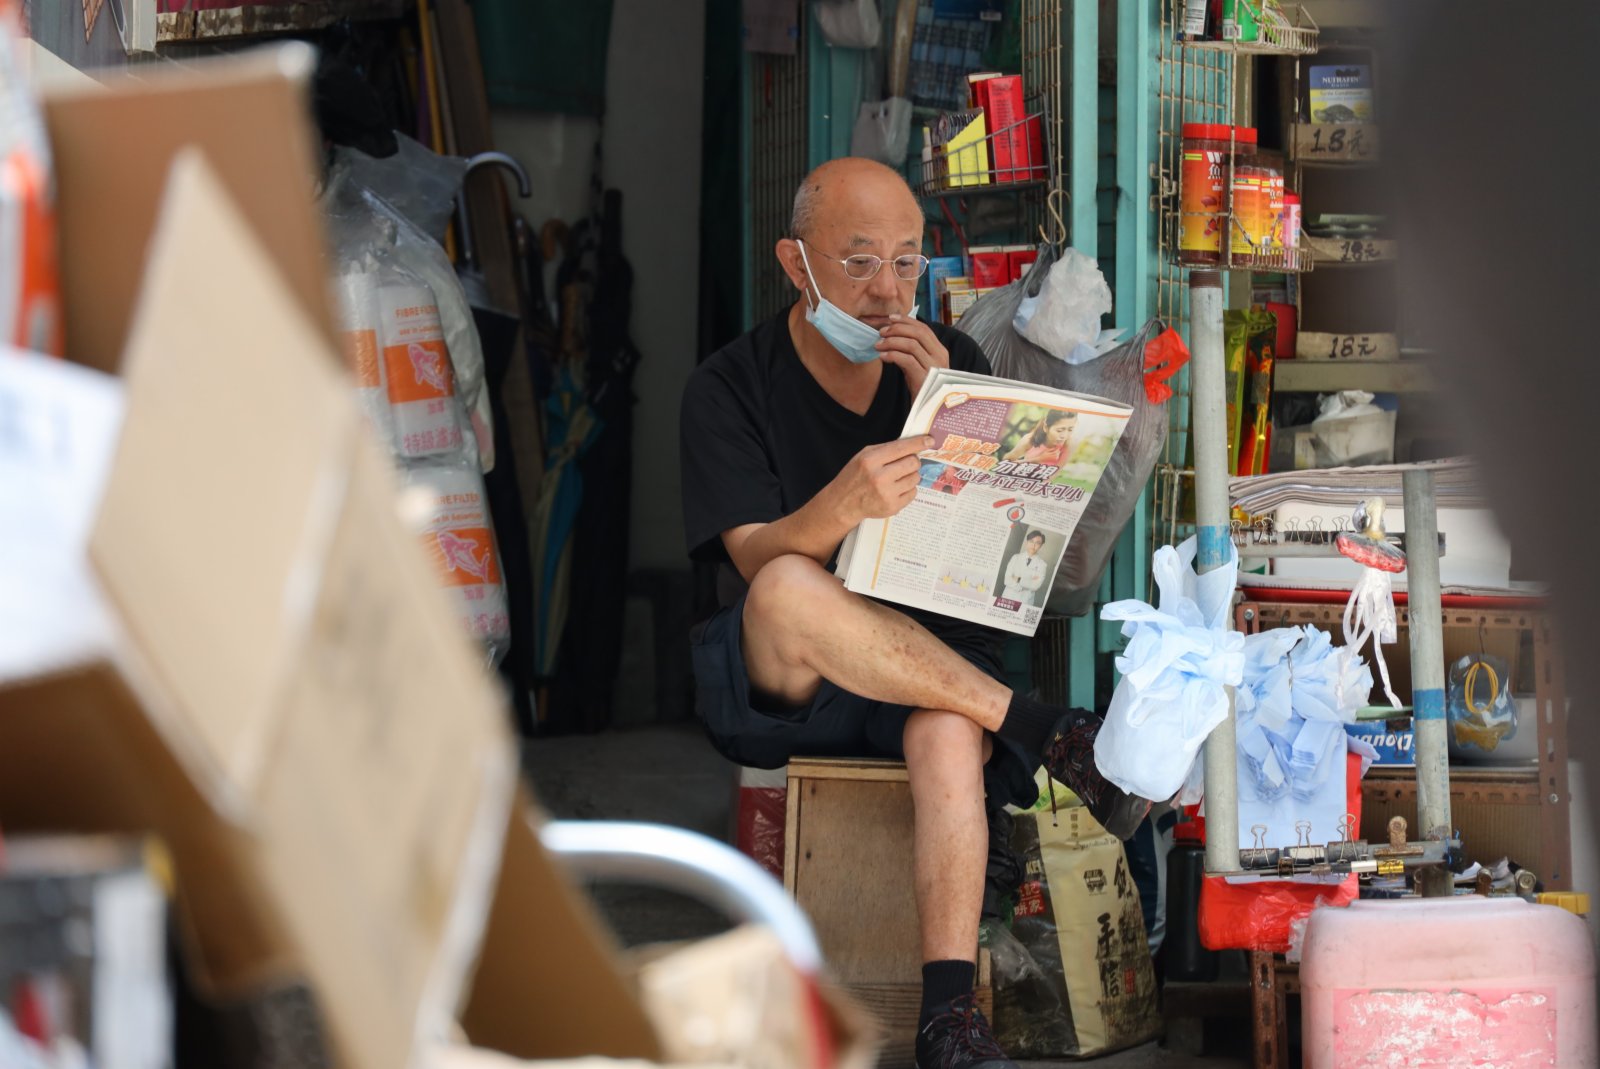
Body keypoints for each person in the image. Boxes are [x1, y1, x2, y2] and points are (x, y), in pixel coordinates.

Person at [679, 157, 1152, 1069]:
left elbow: (981, 563)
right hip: (794, 677)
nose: (887, 291)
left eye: (906, 262)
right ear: (795, 264)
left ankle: (949, 1019)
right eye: (857, 264)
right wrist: (843, 505)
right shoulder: (728, 386)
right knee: (784, 584)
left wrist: (945, 412)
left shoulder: (950, 361)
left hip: (927, 664)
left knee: (945, 732)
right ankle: (1044, 730)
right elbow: (750, 557)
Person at [1002, 408, 1076, 469]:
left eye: (1070, 430)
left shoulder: (1068, 444)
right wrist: (1039, 458)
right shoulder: (1029, 440)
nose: (1064, 436)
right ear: (1046, 427)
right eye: (1059, 430)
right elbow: (1006, 462)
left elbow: (1057, 471)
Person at [1001, 530, 1049, 607]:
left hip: (1025, 601)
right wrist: (1022, 586)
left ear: (1041, 545)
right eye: (1031, 541)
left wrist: (1017, 579)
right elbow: (1007, 579)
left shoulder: (1042, 564)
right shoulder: (1015, 557)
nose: (1033, 545)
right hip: (1008, 597)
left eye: (1037, 543)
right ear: (1027, 542)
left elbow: (1035, 586)